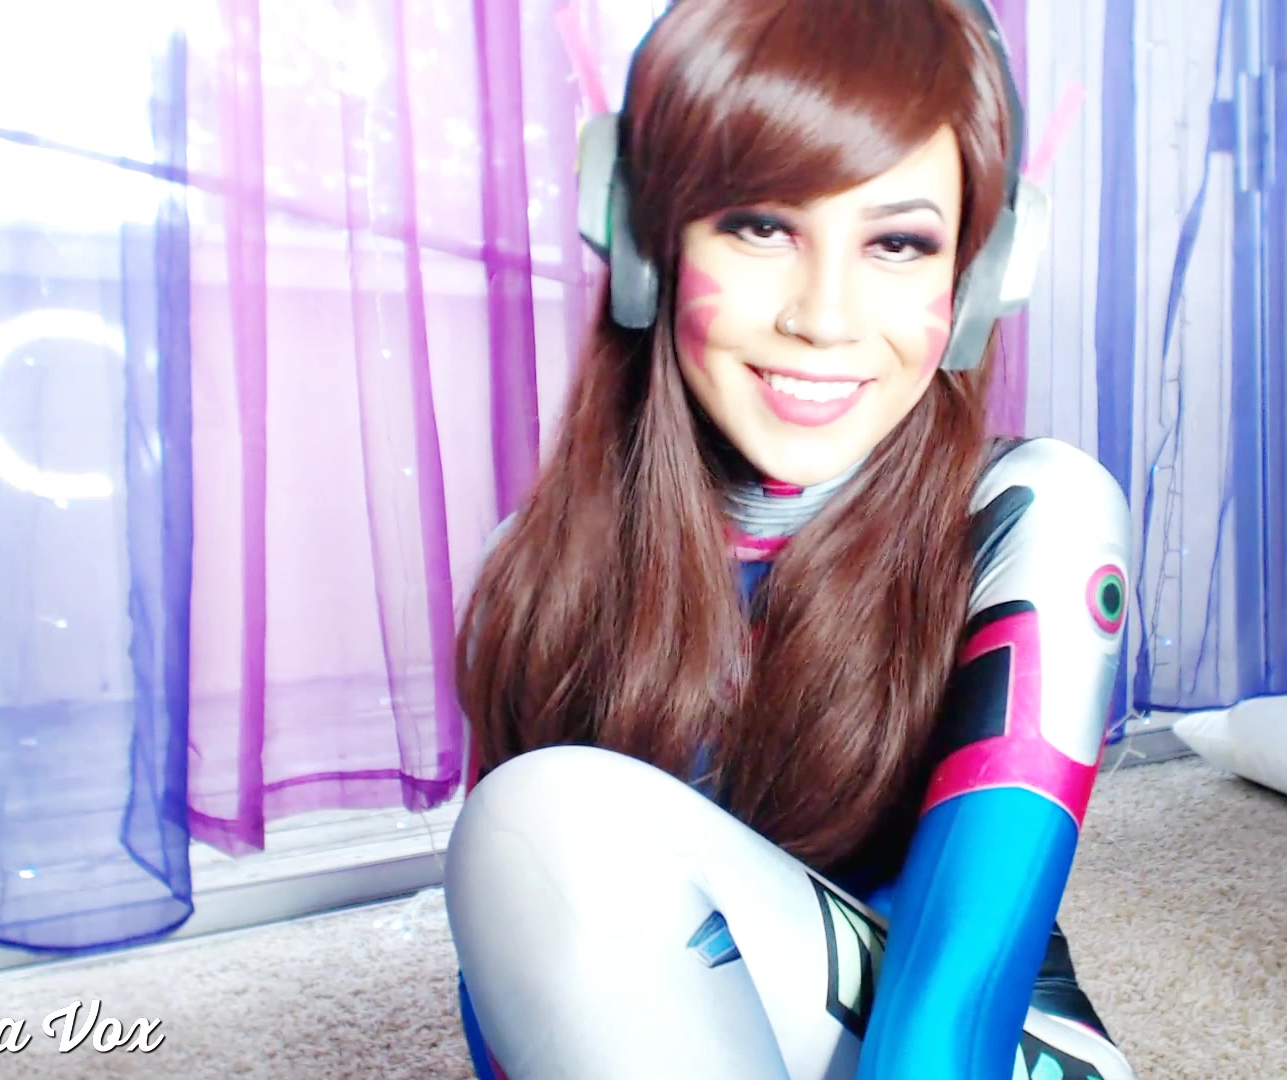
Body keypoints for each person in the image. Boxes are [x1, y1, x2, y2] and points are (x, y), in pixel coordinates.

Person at [443, 1, 1134, 1077]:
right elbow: (526, 979)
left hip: (980, 1048)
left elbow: (956, 1007)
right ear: (644, 243)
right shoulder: (537, 565)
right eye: (762, 226)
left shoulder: (1032, 514)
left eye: (899, 243)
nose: (824, 316)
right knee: (535, 839)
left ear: (980, 278)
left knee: (556, 817)